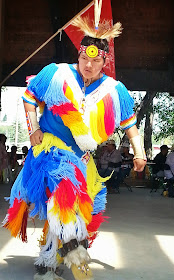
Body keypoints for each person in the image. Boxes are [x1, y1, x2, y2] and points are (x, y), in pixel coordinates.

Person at [3, 16, 146, 280]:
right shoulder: (57, 73)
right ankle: (74, 251)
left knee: (76, 210)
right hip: (50, 153)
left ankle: (46, 265)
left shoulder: (115, 90)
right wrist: (33, 128)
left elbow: (130, 124)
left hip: (82, 159)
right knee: (63, 200)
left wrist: (140, 153)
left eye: (95, 60)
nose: (88, 65)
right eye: (84, 59)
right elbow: (29, 97)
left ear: (105, 62)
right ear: (78, 56)